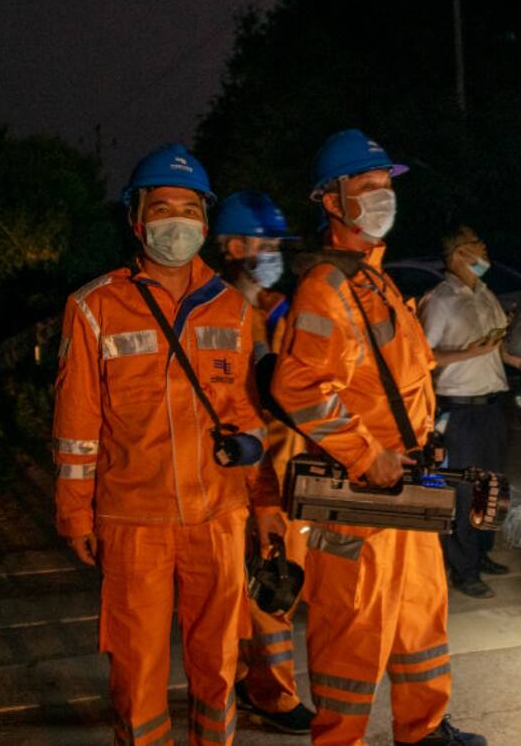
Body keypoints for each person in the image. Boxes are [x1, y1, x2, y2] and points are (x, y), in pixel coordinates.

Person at [271, 129, 485, 746]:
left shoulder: (376, 281)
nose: (381, 197)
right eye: (366, 188)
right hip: (362, 499)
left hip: (405, 483)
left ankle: (423, 731)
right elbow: (299, 387)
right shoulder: (327, 290)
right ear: (331, 202)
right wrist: (367, 455)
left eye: (385, 186)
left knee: (420, 617)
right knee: (353, 632)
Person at [53, 143, 268, 746]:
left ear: (205, 219)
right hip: (133, 519)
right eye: (163, 207)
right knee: (137, 670)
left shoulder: (231, 305)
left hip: (219, 515)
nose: (178, 221)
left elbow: (248, 409)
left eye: (189, 209)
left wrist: (257, 472)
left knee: (218, 664)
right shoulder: (94, 307)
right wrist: (76, 515)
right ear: (136, 218)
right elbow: (76, 425)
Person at [211, 190, 317, 735]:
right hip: (249, 476)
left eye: (278, 244)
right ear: (233, 247)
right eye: (265, 243)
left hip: (274, 468)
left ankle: (246, 682)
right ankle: (270, 693)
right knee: (270, 586)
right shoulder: (223, 314)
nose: (274, 252)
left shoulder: (264, 309)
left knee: (263, 584)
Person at [418, 225, 521, 599]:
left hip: (492, 404)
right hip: (458, 410)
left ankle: (482, 552)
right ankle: (463, 568)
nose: (485, 251)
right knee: (460, 491)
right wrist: (468, 353)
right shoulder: (440, 300)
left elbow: (497, 345)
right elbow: (422, 358)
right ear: (459, 254)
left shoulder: (485, 294)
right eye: (479, 246)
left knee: (491, 486)